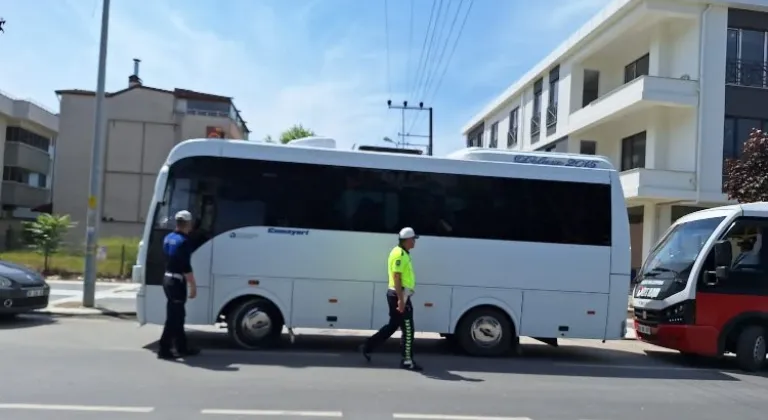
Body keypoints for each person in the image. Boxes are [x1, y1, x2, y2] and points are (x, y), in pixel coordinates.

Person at [360, 227, 423, 371]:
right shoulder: (399, 254)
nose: (414, 242)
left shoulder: (402, 252)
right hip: (398, 295)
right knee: (408, 329)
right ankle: (407, 361)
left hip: (398, 294)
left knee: (393, 325)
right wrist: (401, 300)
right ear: (407, 240)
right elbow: (396, 276)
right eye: (413, 239)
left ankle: (368, 346)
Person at [157, 210, 201, 360]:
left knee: (179, 315)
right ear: (188, 224)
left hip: (167, 279)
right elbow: (185, 266)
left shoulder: (169, 238)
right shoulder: (184, 241)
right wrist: (193, 285)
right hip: (177, 281)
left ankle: (182, 347)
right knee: (174, 317)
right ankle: (164, 349)